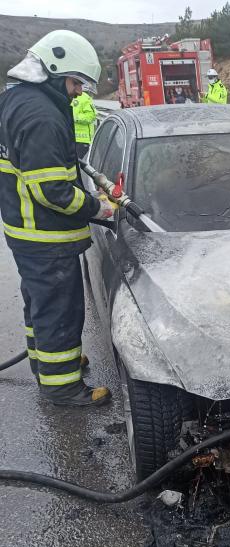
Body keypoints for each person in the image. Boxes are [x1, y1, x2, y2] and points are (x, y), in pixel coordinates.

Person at [0, 30, 115, 407]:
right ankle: (63, 386)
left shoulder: (16, 100)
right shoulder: (41, 116)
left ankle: (49, 360)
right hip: (44, 236)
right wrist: (99, 208)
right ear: (52, 70)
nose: (80, 91)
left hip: (25, 230)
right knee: (59, 308)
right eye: (75, 82)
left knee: (39, 303)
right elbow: (53, 192)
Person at [71, 84, 97, 159]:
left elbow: (91, 116)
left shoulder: (84, 97)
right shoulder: (66, 96)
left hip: (82, 140)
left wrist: (75, 117)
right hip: (69, 139)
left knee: (76, 165)